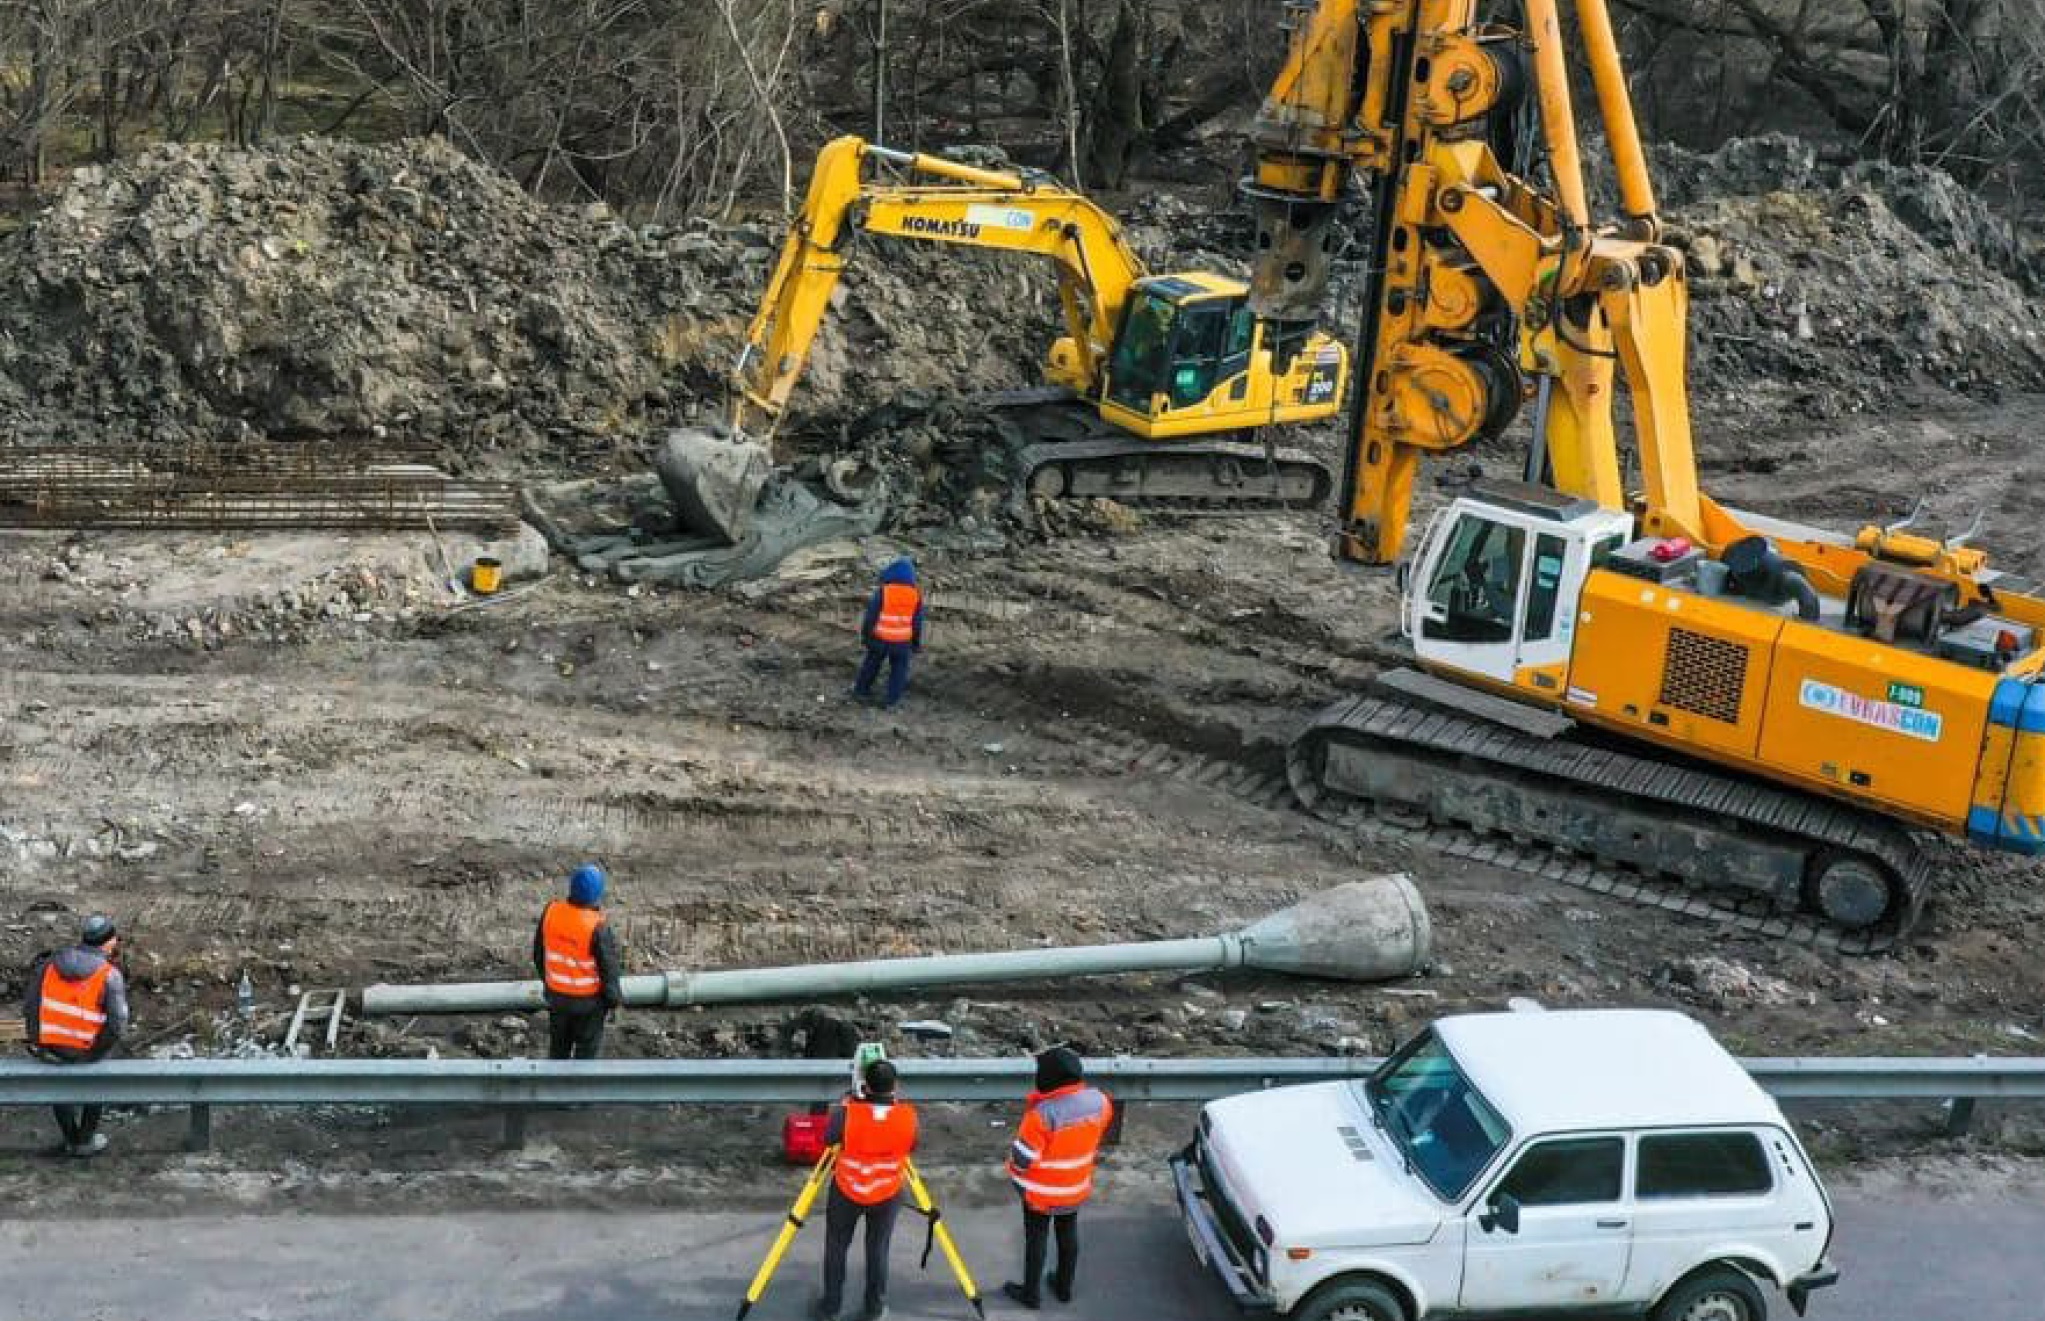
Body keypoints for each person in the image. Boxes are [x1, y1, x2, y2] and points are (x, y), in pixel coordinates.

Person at [1002, 1046, 1114, 1309]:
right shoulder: (1100, 1102)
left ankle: (1031, 1293)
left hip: (1039, 1193)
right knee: (1068, 1234)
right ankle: (1063, 1287)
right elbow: (1099, 1130)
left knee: (1036, 1239)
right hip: (1075, 1186)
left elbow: (1021, 1160)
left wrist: (1013, 1172)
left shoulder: (1041, 1115)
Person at [817, 1057, 919, 1321]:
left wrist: (850, 1106)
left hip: (847, 1190)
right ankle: (874, 1308)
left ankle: (830, 1307)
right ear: (896, 1086)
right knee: (878, 1249)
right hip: (887, 1192)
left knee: (837, 1247)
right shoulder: (908, 1117)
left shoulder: (846, 1113)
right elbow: (912, 1145)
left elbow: (828, 1140)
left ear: (865, 1086)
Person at [23, 914, 130, 1157]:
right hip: (87, 1051)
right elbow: (117, 1024)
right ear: (108, 943)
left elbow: (30, 1007)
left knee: (59, 1084)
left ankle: (72, 1138)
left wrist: (39, 1041)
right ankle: (85, 1139)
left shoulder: (49, 966)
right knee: (99, 1076)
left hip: (51, 1049)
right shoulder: (108, 974)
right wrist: (96, 1053)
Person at [531, 863, 622, 1059]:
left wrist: (551, 984)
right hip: (589, 1005)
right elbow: (609, 970)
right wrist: (613, 1002)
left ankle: (555, 1087)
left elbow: (539, 954)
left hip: (557, 999)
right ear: (597, 895)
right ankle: (580, 1088)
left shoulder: (551, 912)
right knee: (586, 1056)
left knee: (558, 1051)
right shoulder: (597, 926)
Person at [851, 557, 924, 710]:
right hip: (902, 642)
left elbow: (871, 616)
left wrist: (866, 636)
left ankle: (861, 692)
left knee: (871, 665)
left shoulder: (884, 592)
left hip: (880, 639)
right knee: (899, 671)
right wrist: (915, 643)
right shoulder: (915, 595)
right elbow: (917, 622)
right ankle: (891, 701)